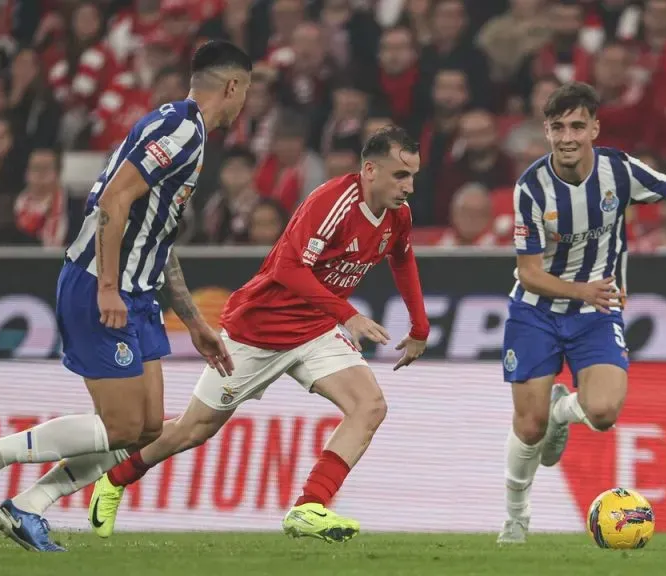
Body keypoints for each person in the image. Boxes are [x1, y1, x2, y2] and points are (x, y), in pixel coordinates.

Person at [0, 40, 252, 552]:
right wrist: (109, 286)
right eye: (246, 91)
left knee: (148, 429)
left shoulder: (186, 133)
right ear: (232, 86)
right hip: (99, 282)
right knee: (124, 424)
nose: (245, 103)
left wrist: (195, 320)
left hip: (138, 291)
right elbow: (114, 200)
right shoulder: (180, 127)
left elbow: (157, 235)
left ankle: (27, 507)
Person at [87, 125, 430, 543]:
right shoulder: (332, 202)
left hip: (315, 329)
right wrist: (348, 315)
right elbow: (288, 269)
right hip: (259, 329)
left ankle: (309, 506)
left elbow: (402, 258)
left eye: (412, 176)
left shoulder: (398, 215)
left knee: (370, 406)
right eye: (400, 175)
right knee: (195, 429)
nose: (409, 187)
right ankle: (115, 478)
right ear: (371, 170)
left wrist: (419, 326)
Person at [498, 82, 666, 544]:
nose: (567, 137)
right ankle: (516, 517)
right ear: (546, 131)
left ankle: (565, 412)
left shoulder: (618, 170)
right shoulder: (531, 187)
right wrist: (583, 290)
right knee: (528, 425)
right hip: (537, 312)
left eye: (577, 126)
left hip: (595, 313)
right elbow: (529, 274)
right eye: (558, 127)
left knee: (602, 413)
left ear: (594, 129)